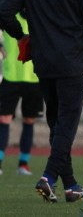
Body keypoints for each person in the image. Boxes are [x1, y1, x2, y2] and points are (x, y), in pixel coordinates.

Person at [0, 0, 83, 203]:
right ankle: (49, 176)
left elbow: (4, 11)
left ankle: (71, 184)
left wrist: (21, 36)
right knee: (68, 121)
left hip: (43, 64)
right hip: (72, 63)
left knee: (56, 122)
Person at [0, 14, 45, 176]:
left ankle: (23, 164)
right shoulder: (8, 15)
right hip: (11, 77)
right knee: (3, 119)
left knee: (29, 120)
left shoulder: (39, 14)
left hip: (34, 79)